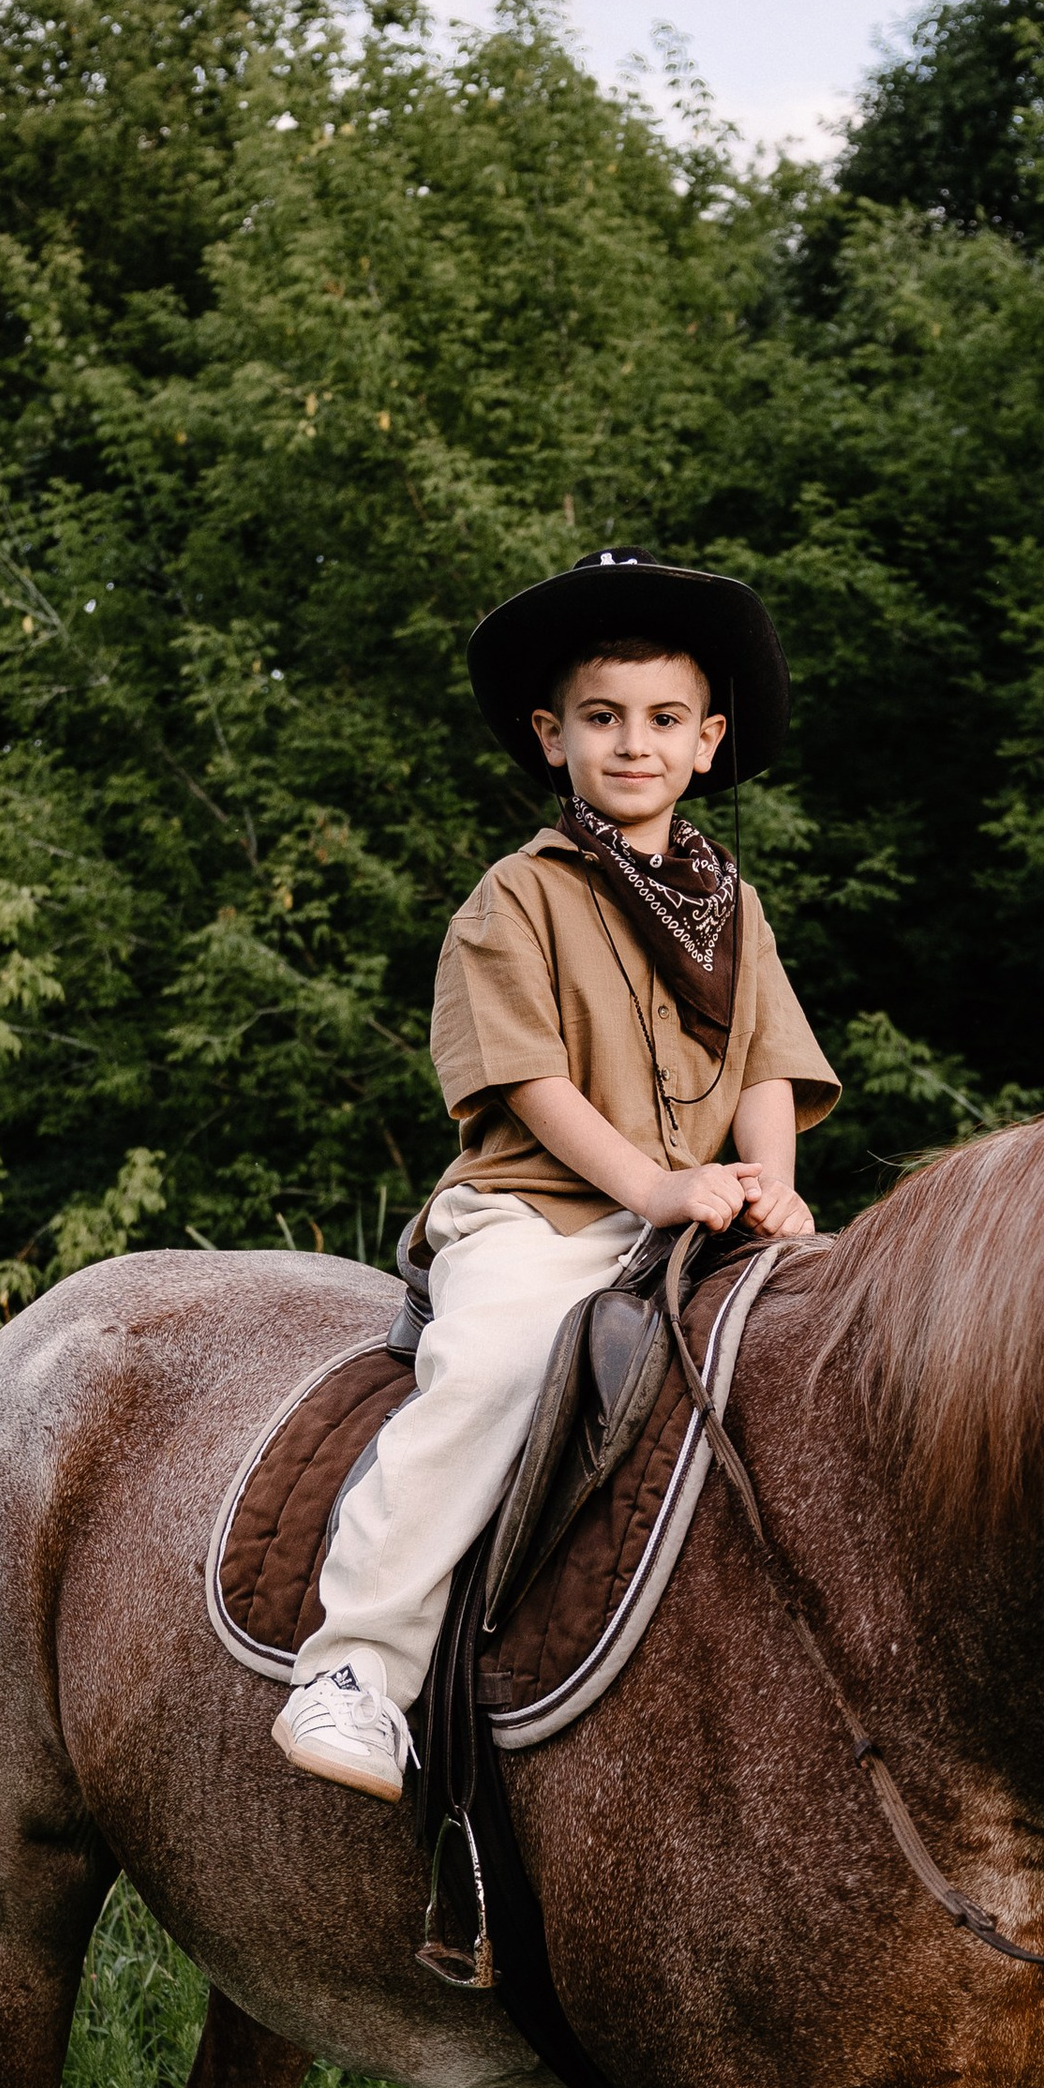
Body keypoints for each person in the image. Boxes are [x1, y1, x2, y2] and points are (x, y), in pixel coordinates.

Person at [272, 547, 839, 1797]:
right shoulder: (515, 898)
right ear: (553, 737)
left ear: (707, 742)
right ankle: (356, 1664)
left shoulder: (729, 906)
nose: (632, 744)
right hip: (546, 1214)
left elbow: (765, 1064)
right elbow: (530, 1082)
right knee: (490, 1365)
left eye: (662, 720)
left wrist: (774, 1181)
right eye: (602, 719)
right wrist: (653, 1188)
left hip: (702, 1212)